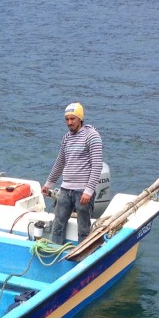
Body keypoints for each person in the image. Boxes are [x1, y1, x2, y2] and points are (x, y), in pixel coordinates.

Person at [42, 102, 103, 245]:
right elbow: (60, 162)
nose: (69, 122)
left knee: (83, 229)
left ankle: (83, 255)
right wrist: (48, 184)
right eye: (67, 119)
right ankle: (56, 251)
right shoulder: (67, 138)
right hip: (65, 189)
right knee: (58, 225)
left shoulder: (92, 136)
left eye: (72, 119)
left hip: (83, 191)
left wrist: (89, 191)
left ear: (80, 119)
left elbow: (97, 165)